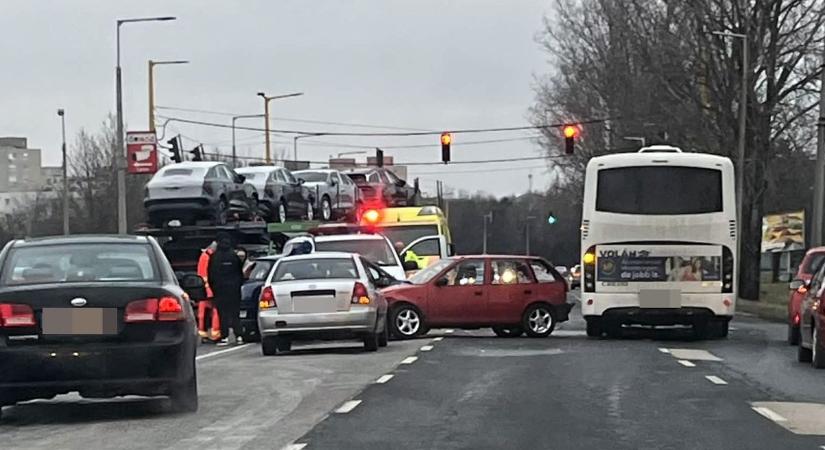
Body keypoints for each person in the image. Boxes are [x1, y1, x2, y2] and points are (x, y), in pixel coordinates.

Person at [208, 233, 244, 346]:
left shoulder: (214, 257)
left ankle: (225, 337)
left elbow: (211, 275)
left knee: (222, 314)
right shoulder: (234, 256)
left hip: (220, 289)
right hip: (234, 289)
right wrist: (237, 285)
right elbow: (240, 273)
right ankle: (239, 336)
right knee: (235, 313)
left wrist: (214, 288)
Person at [196, 241, 221, 341]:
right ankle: (215, 333)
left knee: (204, 311)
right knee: (215, 310)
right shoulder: (208, 257)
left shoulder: (205, 256)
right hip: (209, 289)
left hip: (205, 289)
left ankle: (204, 333)